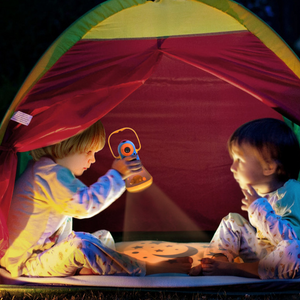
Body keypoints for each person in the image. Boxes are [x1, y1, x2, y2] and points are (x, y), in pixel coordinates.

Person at [0, 120, 192, 277]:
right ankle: (147, 269)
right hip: (27, 263)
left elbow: (80, 202)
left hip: (44, 255)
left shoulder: (45, 170)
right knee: (82, 244)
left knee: (102, 237)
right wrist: (116, 175)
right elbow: (86, 204)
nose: (92, 160)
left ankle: (88, 269)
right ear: (66, 144)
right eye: (88, 152)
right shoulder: (48, 174)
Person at [190, 118, 300, 279]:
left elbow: (291, 240)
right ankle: (215, 262)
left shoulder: (293, 192)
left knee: (295, 249)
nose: (232, 167)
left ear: (268, 167)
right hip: (263, 254)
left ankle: (236, 269)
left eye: (239, 160)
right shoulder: (260, 192)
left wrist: (258, 209)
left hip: (283, 260)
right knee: (232, 221)